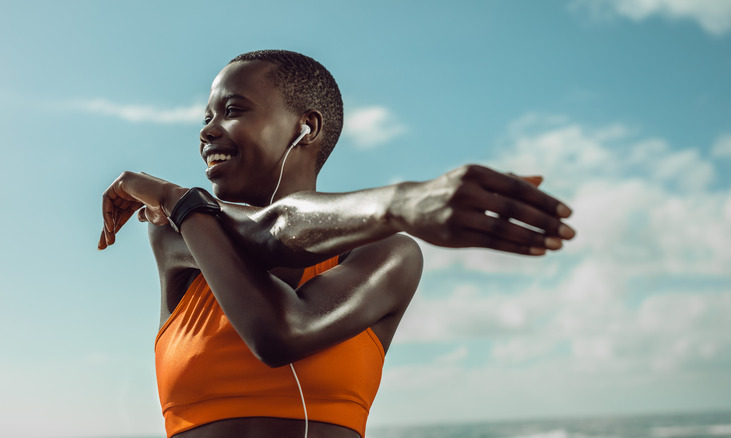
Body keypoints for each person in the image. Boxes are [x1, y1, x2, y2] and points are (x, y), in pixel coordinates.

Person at [98, 50, 575, 438]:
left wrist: (402, 207)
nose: (207, 130)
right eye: (206, 116)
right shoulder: (177, 228)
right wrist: (406, 201)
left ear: (307, 128)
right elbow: (266, 234)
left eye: (233, 110)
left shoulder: (387, 255)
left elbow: (281, 328)